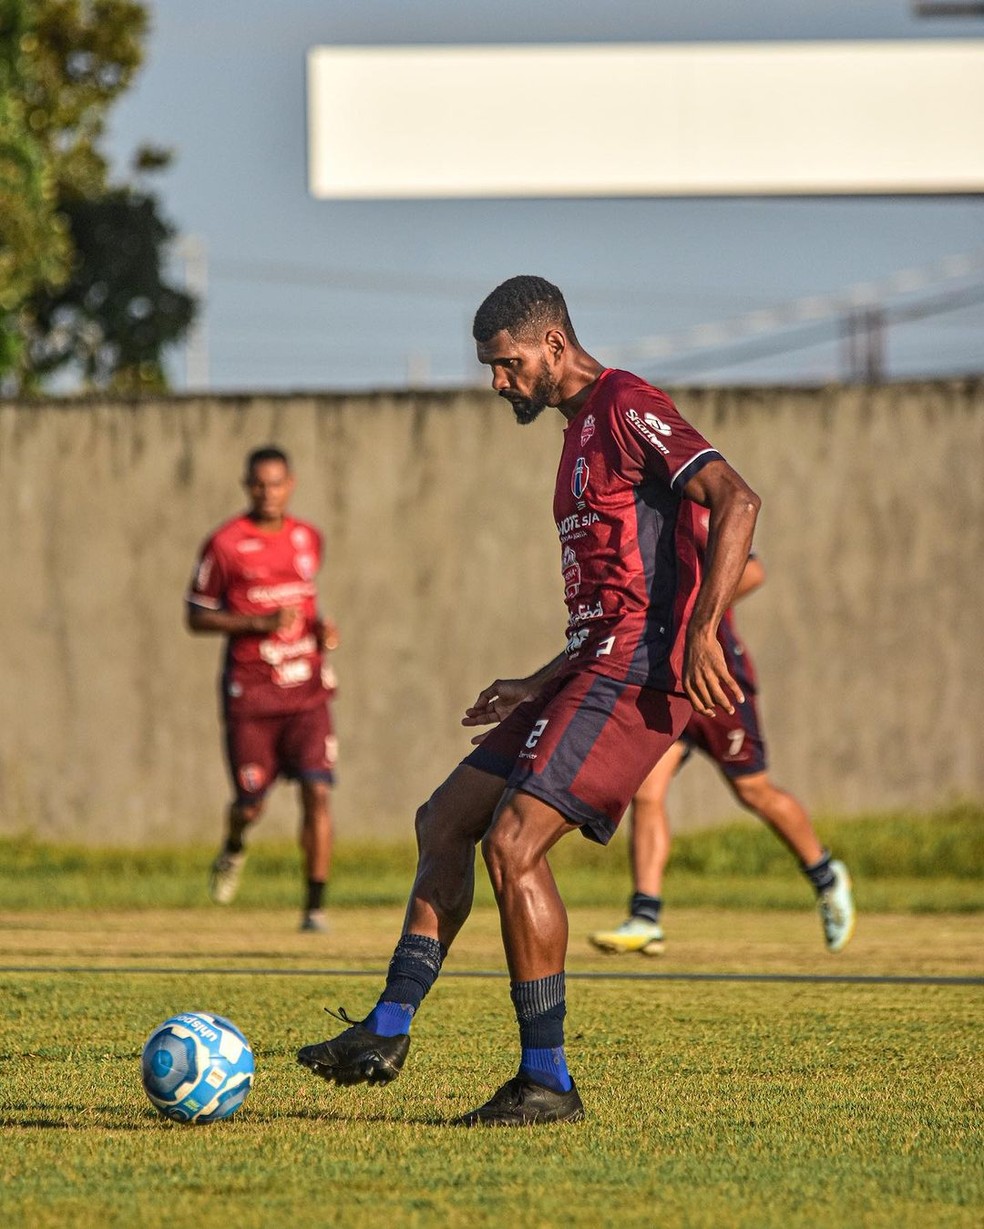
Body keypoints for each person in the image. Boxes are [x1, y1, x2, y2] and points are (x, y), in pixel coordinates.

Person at [297, 274, 761, 1126]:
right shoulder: (575, 433)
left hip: (641, 673)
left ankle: (546, 1080)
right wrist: (537, 680)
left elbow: (737, 497)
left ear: (553, 344)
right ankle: (387, 1029)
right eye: (489, 368)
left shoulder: (624, 400)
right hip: (589, 665)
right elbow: (613, 592)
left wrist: (703, 630)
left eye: (507, 364)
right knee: (444, 818)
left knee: (513, 844)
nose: (498, 382)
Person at [588, 527, 855, 958]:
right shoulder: (639, 519)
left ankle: (826, 876)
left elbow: (752, 572)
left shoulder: (694, 504)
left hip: (715, 679)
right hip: (666, 680)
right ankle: (646, 916)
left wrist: (693, 616)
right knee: (647, 793)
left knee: (753, 791)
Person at [185, 445, 339, 933]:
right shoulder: (226, 544)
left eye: (276, 483)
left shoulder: (308, 538)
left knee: (318, 791)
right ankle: (233, 846)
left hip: (307, 690)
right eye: (258, 483)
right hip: (251, 696)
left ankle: (314, 908)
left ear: (290, 484)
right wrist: (259, 622)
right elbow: (195, 615)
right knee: (250, 804)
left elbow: (305, 607)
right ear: (246, 486)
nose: (267, 492)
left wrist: (320, 632)